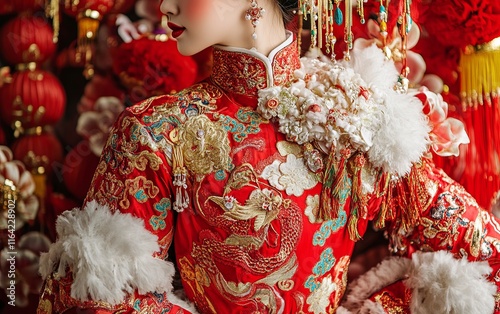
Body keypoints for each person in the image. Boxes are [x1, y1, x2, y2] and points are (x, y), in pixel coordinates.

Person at [37, 0, 500, 313]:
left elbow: (483, 253)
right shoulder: (158, 130)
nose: (167, 6)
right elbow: (92, 296)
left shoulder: (361, 116)